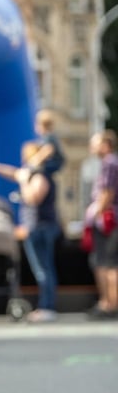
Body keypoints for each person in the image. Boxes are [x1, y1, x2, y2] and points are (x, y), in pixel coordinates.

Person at [0, 141, 61, 322]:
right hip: (37, 228)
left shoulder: (39, 176)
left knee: (43, 269)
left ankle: (47, 307)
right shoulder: (32, 174)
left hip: (40, 228)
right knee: (43, 268)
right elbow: (15, 173)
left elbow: (33, 198)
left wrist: (24, 183)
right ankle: (46, 306)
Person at [84, 129, 118, 319]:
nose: (92, 147)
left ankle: (109, 303)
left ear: (105, 145)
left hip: (108, 220)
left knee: (107, 262)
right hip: (111, 218)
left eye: (95, 143)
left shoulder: (109, 163)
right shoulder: (111, 162)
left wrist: (96, 214)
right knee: (109, 262)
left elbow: (107, 191)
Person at [26, 109, 65, 176]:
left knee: (34, 172)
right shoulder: (48, 136)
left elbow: (48, 150)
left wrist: (35, 161)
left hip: (52, 164)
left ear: (41, 125)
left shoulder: (48, 137)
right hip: (52, 165)